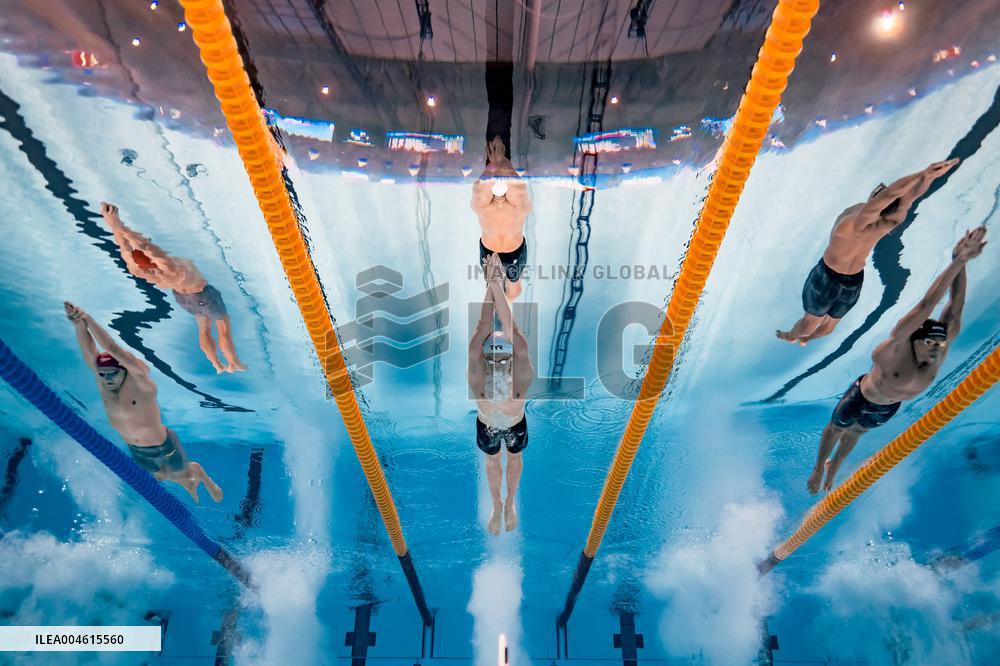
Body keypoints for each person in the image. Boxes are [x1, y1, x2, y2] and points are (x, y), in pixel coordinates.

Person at [807, 227, 987, 494]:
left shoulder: (939, 348)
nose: (937, 350)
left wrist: (961, 263)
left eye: (940, 344)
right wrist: (958, 260)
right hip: (862, 397)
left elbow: (955, 305)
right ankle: (819, 467)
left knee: (856, 433)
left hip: (888, 407)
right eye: (930, 344)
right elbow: (928, 304)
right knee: (836, 429)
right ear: (915, 340)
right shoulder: (895, 347)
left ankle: (835, 466)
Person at [777, 159, 960, 345]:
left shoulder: (878, 221)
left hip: (853, 282)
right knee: (809, 323)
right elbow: (899, 196)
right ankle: (792, 335)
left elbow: (900, 196)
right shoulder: (857, 219)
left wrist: (926, 175)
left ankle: (806, 338)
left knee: (828, 328)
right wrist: (924, 177)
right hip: (827, 277)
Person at [65, 301, 223, 503]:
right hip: (137, 449)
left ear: (124, 368)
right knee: (162, 476)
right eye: (103, 374)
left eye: (113, 372)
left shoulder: (141, 381)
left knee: (181, 472)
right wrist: (77, 323)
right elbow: (88, 352)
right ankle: (189, 482)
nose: (108, 378)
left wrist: (86, 318)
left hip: (163, 444)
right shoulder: (104, 382)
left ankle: (202, 478)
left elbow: (111, 347)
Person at [100, 202, 246, 374]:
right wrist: (119, 223)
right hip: (202, 295)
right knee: (223, 328)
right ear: (151, 257)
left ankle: (217, 365)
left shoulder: (137, 270)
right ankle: (234, 363)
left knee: (204, 330)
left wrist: (112, 224)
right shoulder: (168, 266)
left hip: (182, 299)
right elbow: (145, 246)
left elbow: (125, 248)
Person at [468, 254, 535, 534]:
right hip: (490, 425)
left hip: (508, 424)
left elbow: (509, 329)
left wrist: (495, 284)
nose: (496, 363)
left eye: (501, 357)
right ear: (484, 358)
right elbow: (485, 326)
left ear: (512, 360)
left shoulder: (521, 376)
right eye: (492, 358)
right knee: (495, 461)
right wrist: (493, 284)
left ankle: (510, 504)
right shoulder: (477, 377)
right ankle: (497, 505)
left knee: (514, 459)